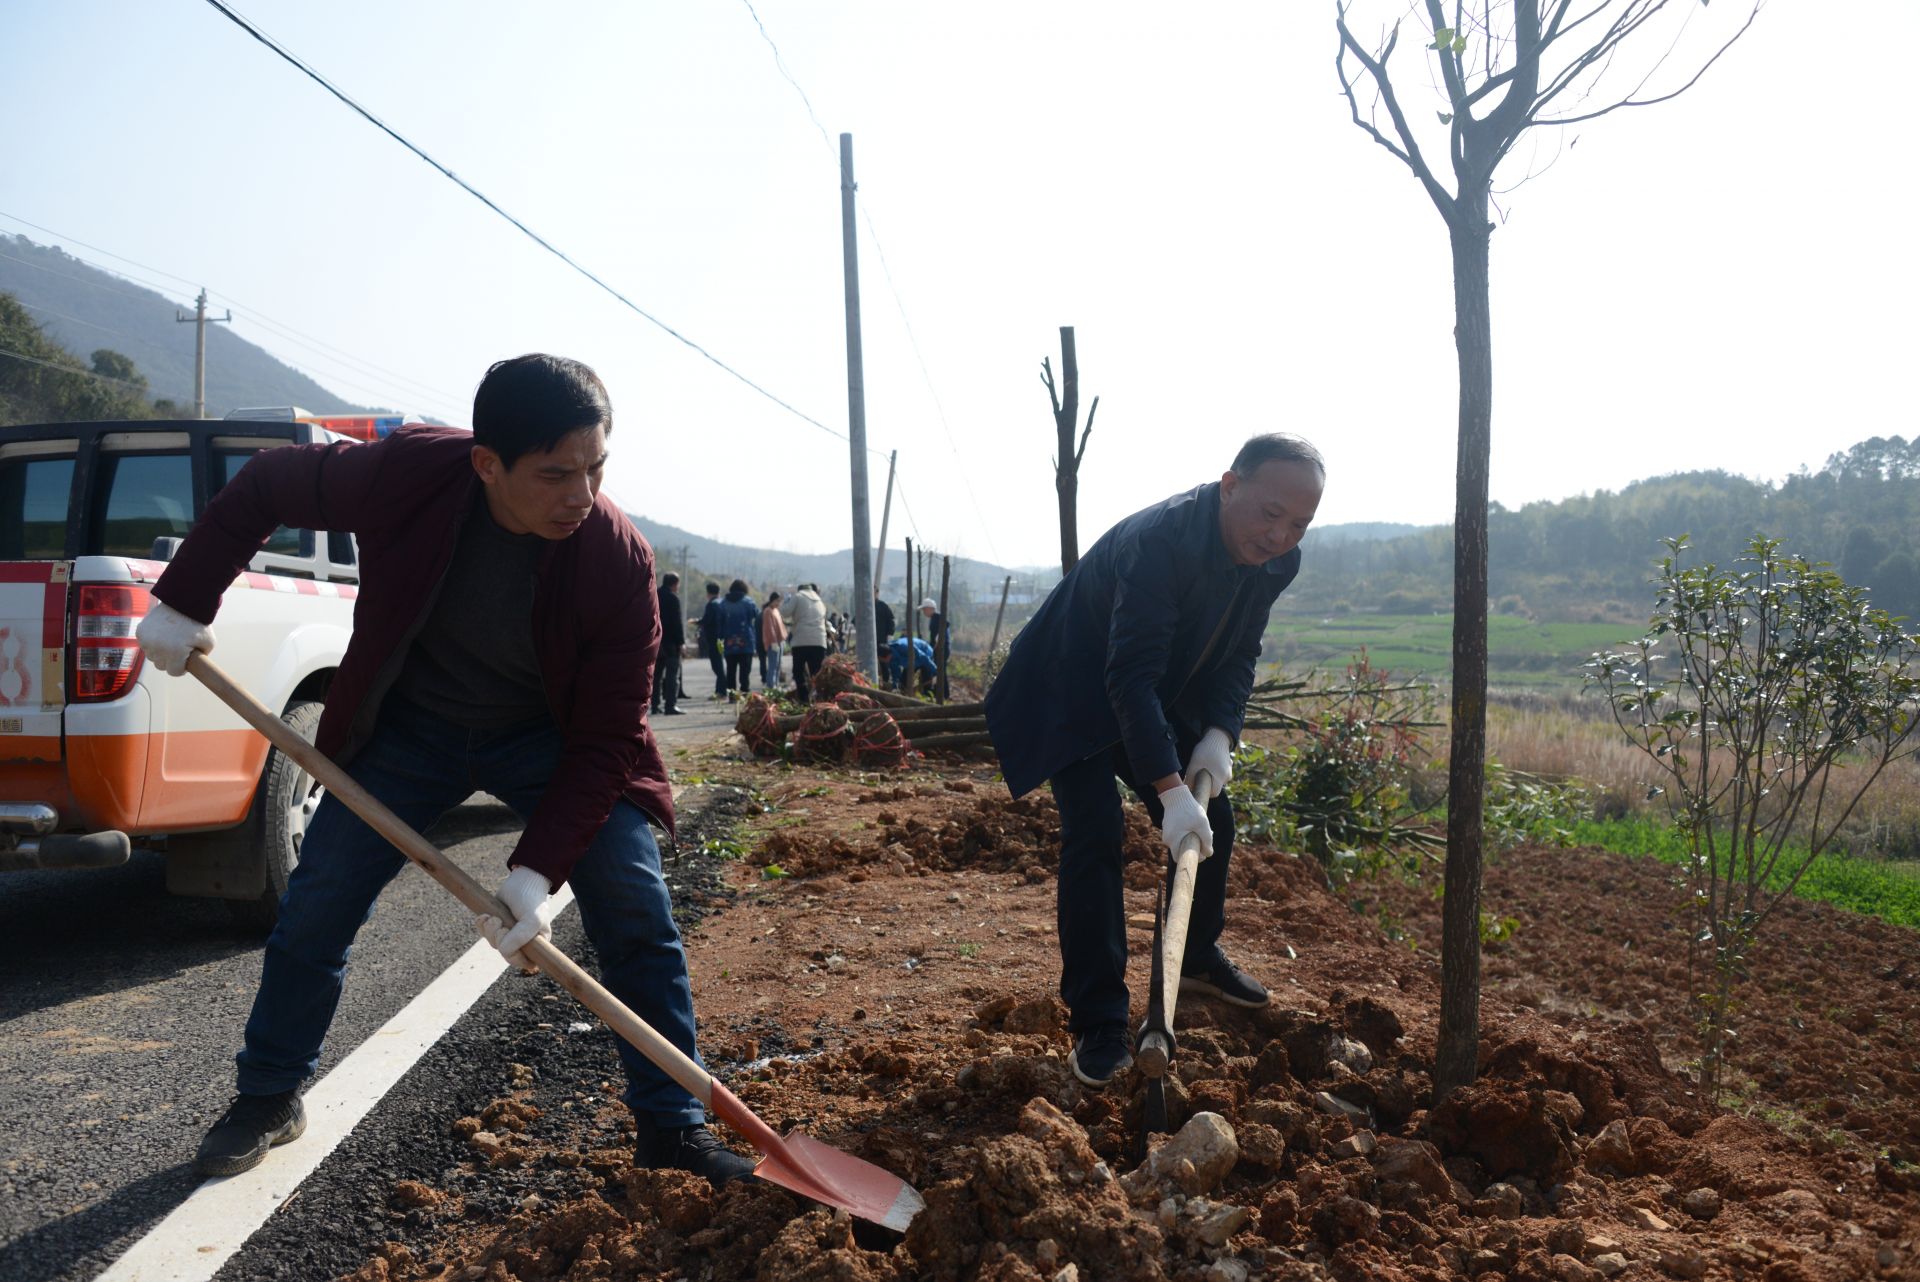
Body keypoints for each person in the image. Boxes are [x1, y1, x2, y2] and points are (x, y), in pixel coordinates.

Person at [135, 354, 754, 1186]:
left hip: (553, 740)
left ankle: (672, 1126)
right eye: (555, 473)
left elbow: (609, 740)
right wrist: (185, 600)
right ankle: (270, 1095)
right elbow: (271, 482)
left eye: (597, 468)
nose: (581, 494)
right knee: (317, 901)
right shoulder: (411, 473)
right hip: (411, 728)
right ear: (486, 463)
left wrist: (536, 875)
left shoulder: (618, 562)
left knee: (635, 910)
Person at [983, 433, 1324, 1089]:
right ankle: (1100, 1022)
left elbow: (1239, 652)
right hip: (1071, 688)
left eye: (1299, 523)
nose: (1281, 534)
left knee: (1212, 821)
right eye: (1270, 513)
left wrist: (1220, 734)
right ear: (1230, 485)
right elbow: (1127, 677)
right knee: (1095, 830)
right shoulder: (1160, 543)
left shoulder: (1279, 562)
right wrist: (1168, 791)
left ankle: (1194, 954)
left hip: (1146, 690)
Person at [716, 579, 759, 702]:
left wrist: (720, 639)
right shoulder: (748, 602)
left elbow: (719, 623)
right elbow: (756, 615)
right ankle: (744, 694)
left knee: (730, 670)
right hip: (746, 642)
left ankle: (732, 696)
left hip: (729, 642)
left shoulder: (722, 603)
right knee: (745, 671)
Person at [787, 582, 829, 702]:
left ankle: (804, 698)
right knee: (816, 673)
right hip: (819, 641)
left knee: (798, 672)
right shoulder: (820, 601)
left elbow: (785, 612)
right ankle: (819, 699)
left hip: (801, 641)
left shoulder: (798, 596)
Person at [652, 573, 684, 716]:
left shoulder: (654, 595)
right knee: (672, 675)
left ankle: (654, 705)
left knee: (656, 676)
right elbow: (677, 623)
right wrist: (681, 642)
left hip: (655, 642)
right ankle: (670, 705)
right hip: (671, 643)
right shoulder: (673, 598)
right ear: (674, 583)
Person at [698, 582, 725, 700]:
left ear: (708, 593)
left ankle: (721, 691)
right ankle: (722, 690)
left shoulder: (711, 605)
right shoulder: (722, 602)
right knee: (720, 664)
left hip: (713, 639)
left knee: (717, 666)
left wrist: (697, 622)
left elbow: (706, 621)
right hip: (722, 638)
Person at [760, 591, 786, 689]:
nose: (778, 604)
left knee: (778, 664)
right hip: (773, 642)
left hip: (780, 641)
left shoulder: (776, 611)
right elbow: (769, 628)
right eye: (777, 601)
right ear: (772, 600)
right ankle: (771, 685)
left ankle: (776, 683)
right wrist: (773, 641)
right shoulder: (768, 611)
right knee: (773, 665)